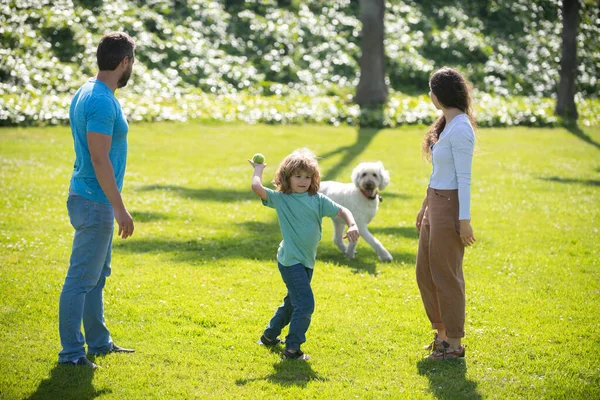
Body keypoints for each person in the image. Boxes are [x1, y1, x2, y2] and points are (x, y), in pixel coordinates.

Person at [58, 32, 137, 368]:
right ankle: (72, 354)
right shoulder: (102, 100)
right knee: (80, 280)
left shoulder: (88, 90)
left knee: (96, 276)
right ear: (124, 62)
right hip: (95, 201)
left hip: (90, 197)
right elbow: (99, 158)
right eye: (132, 61)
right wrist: (119, 208)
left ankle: (99, 343)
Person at [249, 148, 360, 360]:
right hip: (291, 261)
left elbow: (342, 211)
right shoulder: (281, 199)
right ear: (286, 178)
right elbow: (256, 187)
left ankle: (269, 337)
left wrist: (352, 225)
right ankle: (292, 349)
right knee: (305, 303)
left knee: (293, 302)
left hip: (306, 262)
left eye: (307, 177)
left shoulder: (317, 199)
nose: (303, 181)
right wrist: (258, 170)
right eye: (297, 176)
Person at [415, 67, 476, 360]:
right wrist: (425, 206)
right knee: (425, 271)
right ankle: (440, 335)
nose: (430, 95)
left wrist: (463, 221)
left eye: (431, 90)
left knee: (446, 274)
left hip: (450, 205)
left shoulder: (462, 128)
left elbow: (463, 178)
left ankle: (454, 344)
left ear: (438, 95)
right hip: (435, 202)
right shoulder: (445, 124)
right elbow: (439, 171)